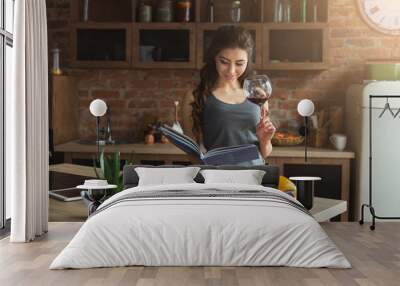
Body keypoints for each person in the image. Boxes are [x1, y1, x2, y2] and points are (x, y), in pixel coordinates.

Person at [182, 25, 276, 165]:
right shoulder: (196, 95)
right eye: (224, 62)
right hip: (217, 179)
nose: (231, 71)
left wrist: (265, 140)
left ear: (247, 61)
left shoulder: (258, 95)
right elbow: (191, 153)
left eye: (239, 63)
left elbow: (264, 153)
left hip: (254, 178)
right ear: (214, 58)